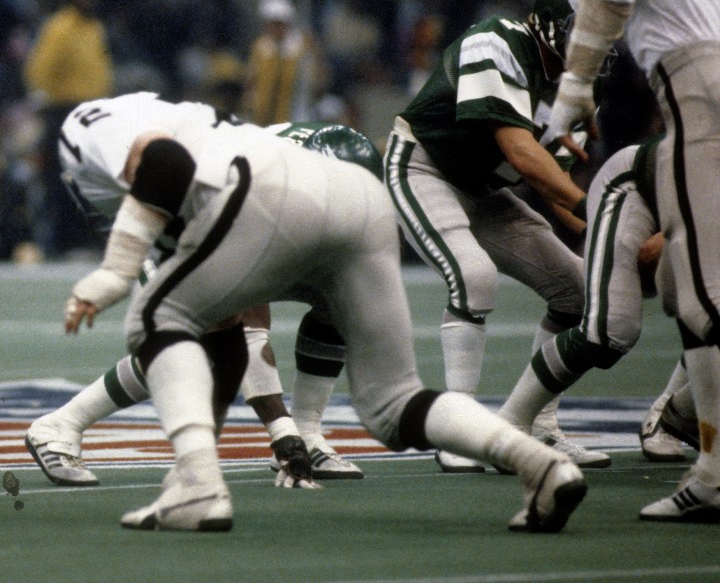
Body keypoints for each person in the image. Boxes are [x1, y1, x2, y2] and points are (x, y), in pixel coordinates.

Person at [61, 108, 587, 532]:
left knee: (166, 320)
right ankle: (536, 464)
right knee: (390, 401)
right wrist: (280, 430)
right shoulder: (236, 157)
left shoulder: (98, 129)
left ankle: (210, 480)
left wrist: (113, 271)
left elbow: (167, 170)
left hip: (281, 203)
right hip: (316, 207)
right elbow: (240, 326)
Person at [25, 95, 368, 488]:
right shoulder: (241, 189)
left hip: (170, 164)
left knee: (342, 293)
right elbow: (246, 325)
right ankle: (60, 425)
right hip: (149, 195)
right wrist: (281, 432)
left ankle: (310, 433)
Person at [541, 0, 720, 521]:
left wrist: (573, 88)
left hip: (701, 83)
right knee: (691, 277)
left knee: (702, 293)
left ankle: (712, 475)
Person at [383, 0, 606, 473]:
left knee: (578, 289)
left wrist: (609, 241)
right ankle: (457, 431)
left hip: (483, 189)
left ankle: (537, 425)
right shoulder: (497, 40)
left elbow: (554, 183)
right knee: (474, 275)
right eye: (585, 29)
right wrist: (600, 218)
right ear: (549, 20)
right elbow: (523, 155)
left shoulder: (575, 84)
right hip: (424, 167)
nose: (595, 43)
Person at [495, 137, 678, 466]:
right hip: (635, 188)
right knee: (610, 330)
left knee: (709, 319)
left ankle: (673, 416)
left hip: (688, 208)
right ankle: (509, 426)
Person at [23, 0, 114, 259]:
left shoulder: (95, 28)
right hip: (64, 111)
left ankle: (88, 240)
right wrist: (46, 100)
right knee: (63, 180)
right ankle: (64, 241)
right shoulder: (60, 26)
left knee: (93, 179)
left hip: (93, 113)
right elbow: (40, 70)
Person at [241, 0, 327, 126]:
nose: (276, 29)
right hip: (263, 117)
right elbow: (251, 78)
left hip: (296, 115)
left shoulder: (302, 47)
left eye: (280, 24)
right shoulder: (261, 47)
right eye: (272, 24)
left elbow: (319, 79)